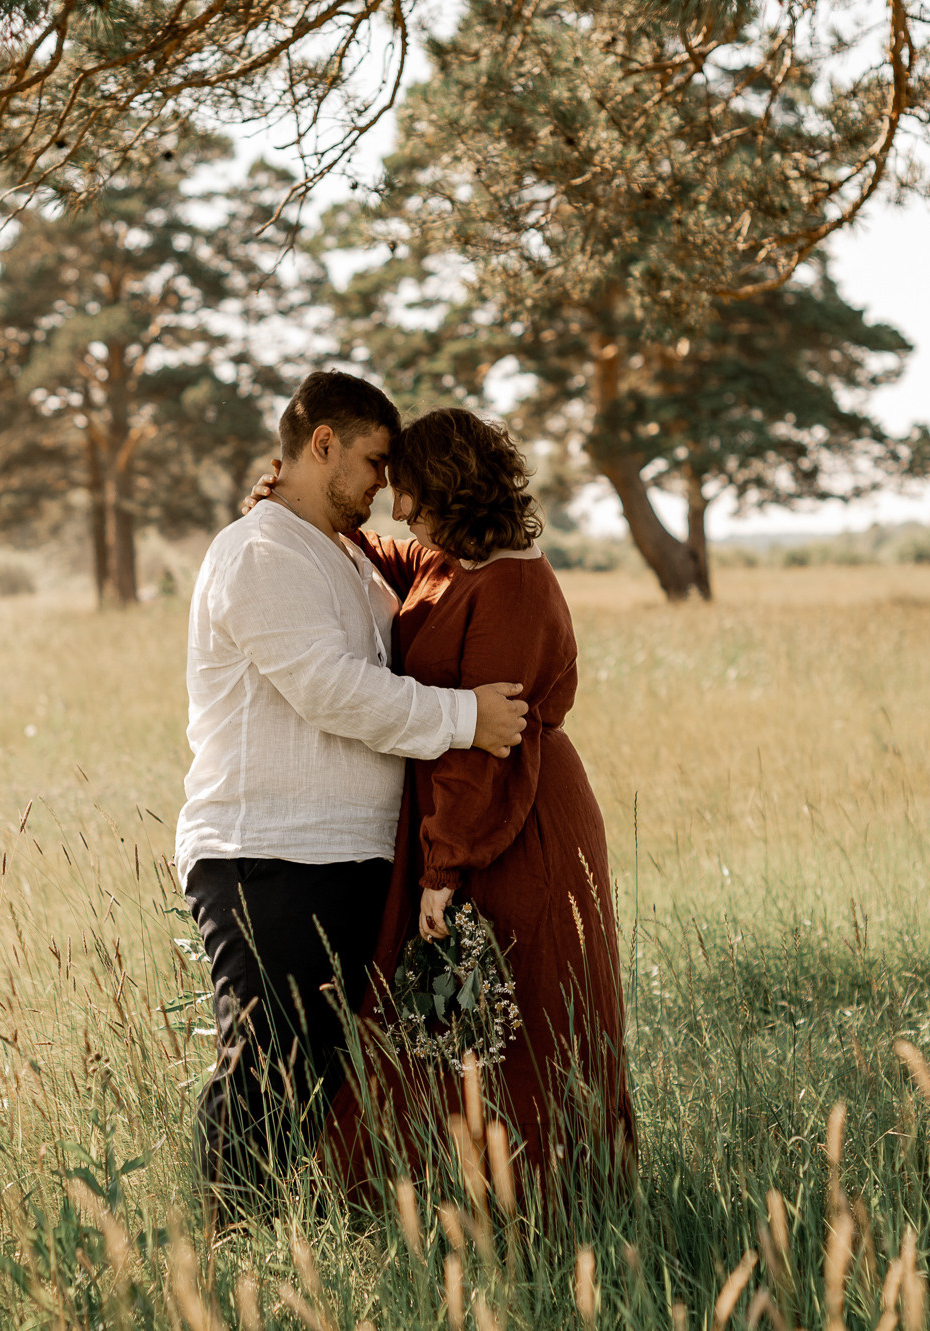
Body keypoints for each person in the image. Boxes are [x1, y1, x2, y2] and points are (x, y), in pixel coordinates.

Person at [175, 371, 531, 1219]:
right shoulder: (261, 553)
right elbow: (330, 689)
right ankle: (221, 1257)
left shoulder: (342, 554)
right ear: (323, 443)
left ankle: (285, 1248)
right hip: (269, 854)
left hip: (343, 857)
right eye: (375, 462)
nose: (384, 487)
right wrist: (466, 718)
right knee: (266, 1068)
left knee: (319, 1078)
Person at [313, 405, 636, 1205]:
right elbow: (401, 559)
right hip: (469, 819)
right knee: (449, 1017)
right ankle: (437, 1197)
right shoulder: (455, 560)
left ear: (452, 489)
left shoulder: (512, 584)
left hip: (513, 823)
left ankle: (543, 1205)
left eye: (411, 493)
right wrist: (316, 514)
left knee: (515, 1019)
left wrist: (444, 868)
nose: (400, 510)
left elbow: (486, 747)